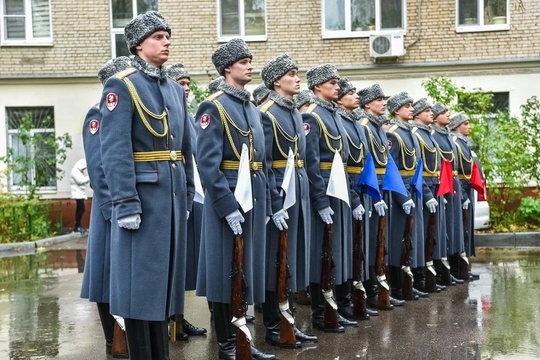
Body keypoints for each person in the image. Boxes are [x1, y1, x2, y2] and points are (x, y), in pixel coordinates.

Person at [99, 11, 194, 359]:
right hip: (143, 200)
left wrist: (186, 194)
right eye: (158, 37)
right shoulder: (122, 85)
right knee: (141, 291)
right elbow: (115, 150)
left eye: (168, 36)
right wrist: (125, 202)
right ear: (139, 44)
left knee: (165, 290)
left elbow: (183, 150)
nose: (166, 41)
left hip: (169, 199)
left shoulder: (172, 88)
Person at [194, 38, 275, 360]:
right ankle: (228, 343)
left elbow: (263, 163)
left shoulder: (252, 109)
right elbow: (208, 164)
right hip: (226, 200)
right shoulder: (213, 106)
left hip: (253, 198)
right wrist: (226, 206)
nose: (250, 66)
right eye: (244, 61)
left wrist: (267, 203)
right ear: (228, 67)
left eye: (250, 60)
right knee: (225, 271)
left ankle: (243, 338)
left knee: (245, 270)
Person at [258, 53, 317, 347]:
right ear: (276, 80)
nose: (297, 78)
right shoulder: (266, 112)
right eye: (291, 74)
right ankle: (273, 324)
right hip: (280, 191)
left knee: (291, 257)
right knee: (276, 259)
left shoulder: (293, 111)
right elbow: (265, 163)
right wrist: (273, 203)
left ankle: (289, 318)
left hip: (298, 186)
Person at [80, 56, 131, 358]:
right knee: (106, 277)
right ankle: (114, 341)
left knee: (121, 274)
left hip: (121, 205)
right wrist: (114, 209)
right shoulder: (97, 116)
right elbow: (98, 168)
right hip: (108, 209)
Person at [302, 64, 358, 332]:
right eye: (332, 82)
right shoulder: (312, 116)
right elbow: (311, 164)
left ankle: (335, 305)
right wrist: (320, 201)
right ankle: (320, 312)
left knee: (337, 251)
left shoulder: (333, 114)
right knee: (322, 254)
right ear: (316, 87)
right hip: (324, 191)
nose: (338, 86)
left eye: (337, 82)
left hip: (339, 190)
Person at [166, 63, 207, 340]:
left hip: (188, 192)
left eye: (189, 84)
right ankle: (169, 321)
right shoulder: (168, 114)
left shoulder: (189, 117)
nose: (187, 88)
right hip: (168, 193)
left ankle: (178, 318)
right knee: (170, 264)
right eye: (181, 83)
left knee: (182, 265)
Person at [335, 77, 377, 320]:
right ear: (339, 98)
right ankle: (342, 301)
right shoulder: (339, 121)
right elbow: (341, 164)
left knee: (358, 245)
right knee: (344, 248)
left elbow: (365, 161)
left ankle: (355, 294)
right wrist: (353, 196)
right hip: (345, 188)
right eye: (350, 92)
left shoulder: (358, 126)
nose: (356, 96)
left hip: (361, 186)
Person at [385, 92, 429, 301]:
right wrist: (402, 197)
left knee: (411, 238)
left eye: (412, 105)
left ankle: (408, 282)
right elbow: (390, 169)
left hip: (413, 188)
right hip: (399, 192)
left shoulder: (409, 131)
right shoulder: (393, 133)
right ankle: (397, 286)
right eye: (407, 105)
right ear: (396, 110)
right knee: (398, 241)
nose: (412, 109)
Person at [356, 84, 392, 310]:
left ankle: (376, 288)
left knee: (379, 241)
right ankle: (368, 292)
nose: (384, 102)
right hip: (369, 188)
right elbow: (364, 162)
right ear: (368, 104)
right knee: (368, 242)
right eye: (379, 99)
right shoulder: (365, 126)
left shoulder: (377, 127)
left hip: (381, 186)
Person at [411, 98, 445, 293]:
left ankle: (427, 274)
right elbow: (416, 168)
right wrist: (426, 191)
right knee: (419, 234)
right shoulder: (416, 134)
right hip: (421, 187)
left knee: (430, 233)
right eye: (427, 110)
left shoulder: (427, 134)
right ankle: (417, 278)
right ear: (417, 115)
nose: (431, 113)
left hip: (433, 186)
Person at [431, 102, 465, 286]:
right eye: (443, 112)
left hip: (452, 182)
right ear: (435, 118)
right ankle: (440, 270)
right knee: (443, 228)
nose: (448, 115)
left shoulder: (448, 136)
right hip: (442, 183)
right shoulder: (434, 135)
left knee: (453, 227)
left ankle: (450, 267)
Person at [449, 112, 479, 281]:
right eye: (465, 123)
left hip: (466, 187)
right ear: (457, 126)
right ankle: (456, 268)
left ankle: (463, 267)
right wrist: (461, 193)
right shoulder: (455, 142)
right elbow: (455, 172)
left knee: (466, 227)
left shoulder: (462, 142)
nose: (469, 126)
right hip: (459, 187)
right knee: (459, 229)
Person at [70, 158, 89, 233]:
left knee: (80, 209)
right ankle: (77, 226)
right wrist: (89, 177)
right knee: (81, 209)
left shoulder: (79, 171)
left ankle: (78, 225)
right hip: (77, 193)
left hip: (80, 193)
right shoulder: (75, 171)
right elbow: (80, 181)